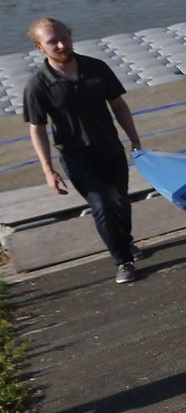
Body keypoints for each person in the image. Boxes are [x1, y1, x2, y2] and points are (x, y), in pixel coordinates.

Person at [23, 17, 145, 284]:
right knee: (101, 204)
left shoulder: (95, 68)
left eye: (64, 37)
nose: (60, 44)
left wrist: (135, 140)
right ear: (38, 47)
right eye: (52, 41)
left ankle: (125, 242)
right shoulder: (38, 85)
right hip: (76, 156)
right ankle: (123, 261)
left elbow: (119, 105)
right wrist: (47, 169)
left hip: (110, 149)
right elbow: (38, 128)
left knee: (121, 203)